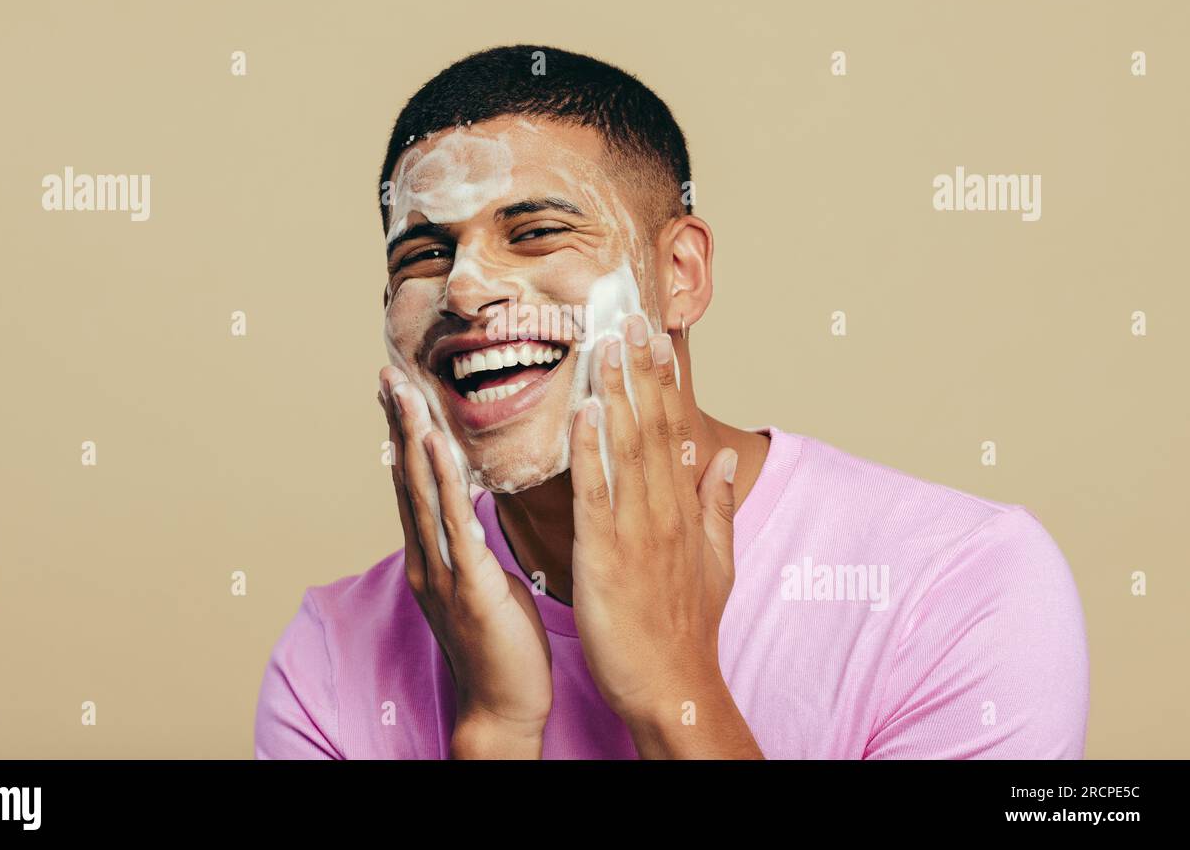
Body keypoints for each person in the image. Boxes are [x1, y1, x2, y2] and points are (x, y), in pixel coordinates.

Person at [255, 45, 1089, 759]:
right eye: (425, 255)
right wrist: (496, 729)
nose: (465, 290)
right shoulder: (331, 658)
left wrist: (672, 687)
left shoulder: (961, 586)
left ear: (681, 276)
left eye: (537, 230)